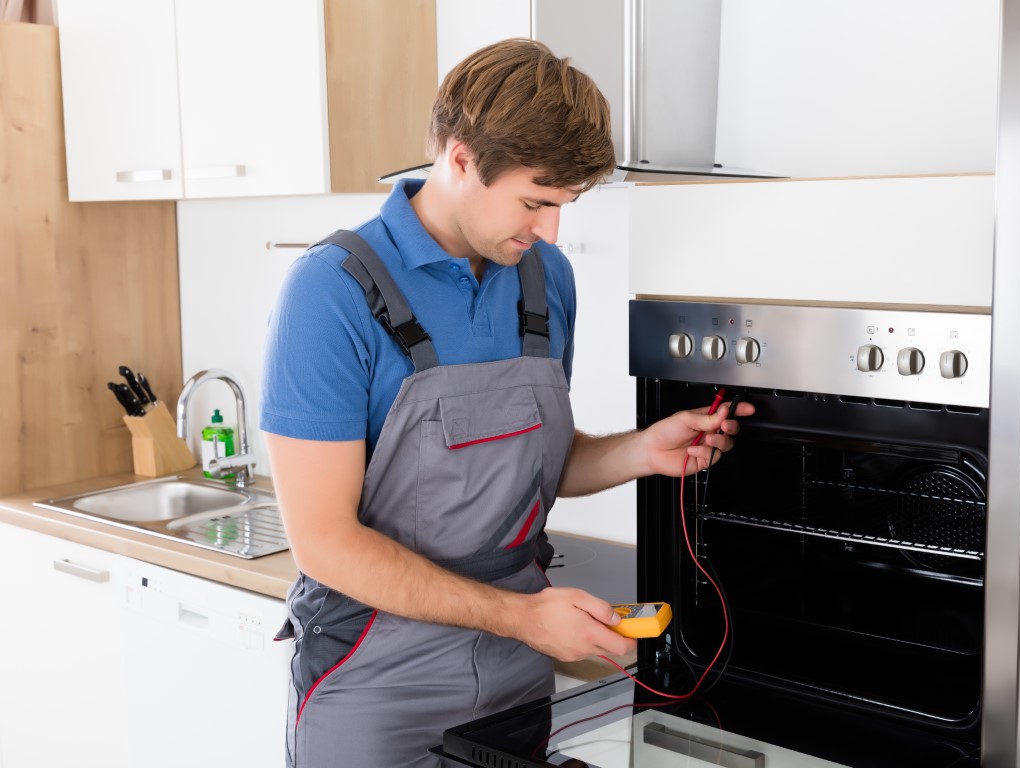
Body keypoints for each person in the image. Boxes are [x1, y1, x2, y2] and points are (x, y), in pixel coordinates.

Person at [260, 38, 753, 767]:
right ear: (459, 160)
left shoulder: (544, 278)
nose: (551, 231)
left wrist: (640, 451)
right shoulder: (330, 292)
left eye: (564, 205)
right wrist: (522, 618)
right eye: (534, 201)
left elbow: (531, 463)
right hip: (375, 679)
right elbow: (326, 544)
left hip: (516, 674)